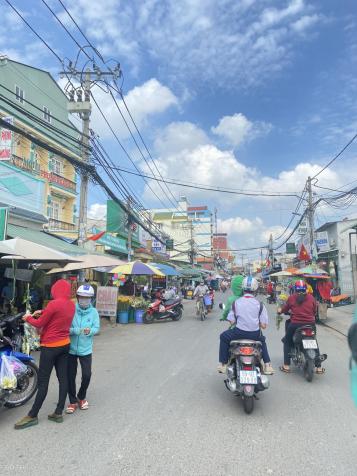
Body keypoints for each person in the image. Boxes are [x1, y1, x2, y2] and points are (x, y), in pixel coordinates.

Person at [15, 279, 75, 430]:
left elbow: (39, 323)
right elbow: (56, 315)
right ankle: (58, 412)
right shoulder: (71, 304)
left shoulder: (54, 304)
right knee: (63, 379)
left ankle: (32, 415)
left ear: (55, 290)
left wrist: (28, 317)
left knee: (43, 382)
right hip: (65, 345)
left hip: (50, 347)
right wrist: (42, 312)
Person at [217, 276, 274, 375]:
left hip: (238, 333)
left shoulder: (236, 303)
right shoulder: (260, 305)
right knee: (262, 341)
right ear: (256, 289)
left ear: (242, 288)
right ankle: (268, 365)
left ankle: (223, 364)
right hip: (255, 335)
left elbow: (231, 321)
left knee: (223, 336)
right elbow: (264, 325)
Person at [278, 279, 324, 374]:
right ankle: (319, 368)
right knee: (314, 341)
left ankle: (286, 366)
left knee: (287, 341)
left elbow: (285, 309)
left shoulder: (292, 298)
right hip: (310, 324)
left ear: (295, 289)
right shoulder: (311, 298)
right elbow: (314, 311)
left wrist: (280, 311)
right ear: (305, 289)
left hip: (295, 324)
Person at [66, 285, 100, 414]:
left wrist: (90, 331)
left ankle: (81, 396)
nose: (84, 300)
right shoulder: (71, 309)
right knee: (70, 376)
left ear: (91, 299)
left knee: (87, 375)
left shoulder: (94, 312)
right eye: (82, 297)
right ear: (78, 297)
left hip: (86, 349)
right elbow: (65, 327)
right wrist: (75, 331)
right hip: (70, 348)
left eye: (87, 298)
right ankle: (72, 401)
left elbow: (97, 328)